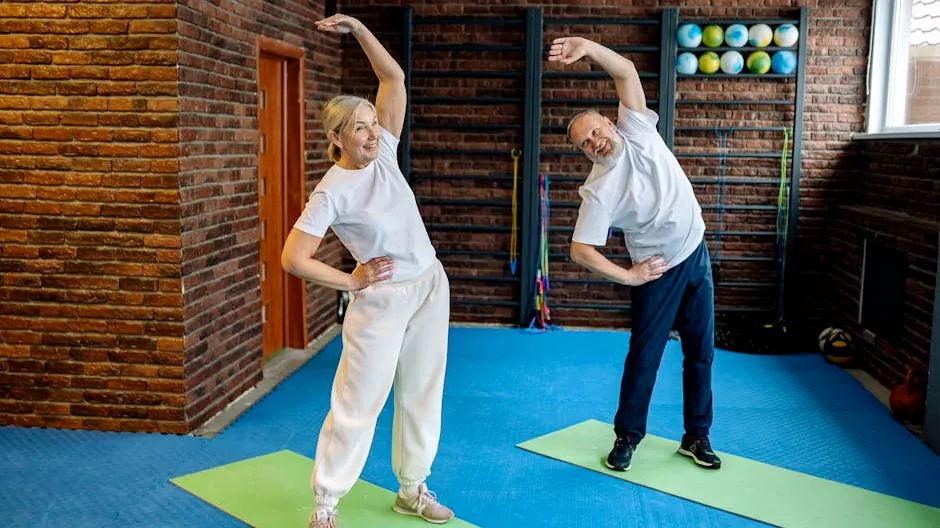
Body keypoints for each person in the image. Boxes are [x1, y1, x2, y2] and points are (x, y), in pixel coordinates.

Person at [280, 14, 455, 528]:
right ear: (337, 136)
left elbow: (394, 80)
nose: (373, 132)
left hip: (429, 287)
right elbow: (293, 257)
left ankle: (412, 489)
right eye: (361, 127)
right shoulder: (332, 189)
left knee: (423, 392)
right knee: (359, 402)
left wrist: (357, 29)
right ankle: (326, 505)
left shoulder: (386, 157)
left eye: (373, 124)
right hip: (379, 300)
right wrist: (352, 281)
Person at [548, 35, 722, 472]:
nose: (594, 142)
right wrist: (630, 276)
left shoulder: (639, 128)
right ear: (582, 152)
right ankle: (627, 437)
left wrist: (586, 46)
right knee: (645, 355)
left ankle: (696, 436)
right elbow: (580, 249)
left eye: (595, 131)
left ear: (610, 121)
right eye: (584, 143)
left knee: (701, 351)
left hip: (695, 251)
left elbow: (624, 69)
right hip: (657, 271)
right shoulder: (598, 189)